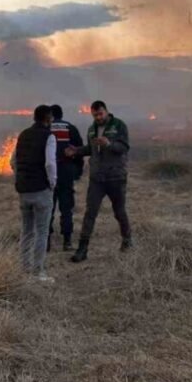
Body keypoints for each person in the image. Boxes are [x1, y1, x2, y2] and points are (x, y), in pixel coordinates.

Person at [67, 101, 131, 263]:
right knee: (90, 213)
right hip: (97, 179)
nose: (98, 117)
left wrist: (109, 144)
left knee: (119, 212)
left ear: (106, 111)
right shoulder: (91, 129)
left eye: (100, 113)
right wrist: (77, 151)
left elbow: (124, 147)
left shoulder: (119, 125)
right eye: (95, 115)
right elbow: (90, 149)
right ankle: (83, 249)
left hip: (116, 177)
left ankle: (127, 240)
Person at [10, 105, 58, 282]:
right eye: (51, 118)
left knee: (27, 231)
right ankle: (38, 272)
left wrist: (20, 178)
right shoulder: (49, 136)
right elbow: (50, 164)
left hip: (24, 190)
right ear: (47, 118)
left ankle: (23, 270)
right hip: (41, 190)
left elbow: (12, 161)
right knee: (42, 232)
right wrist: (52, 183)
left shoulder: (23, 135)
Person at [48, 104, 84, 252]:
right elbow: (79, 150)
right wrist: (77, 171)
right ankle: (67, 241)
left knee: (48, 208)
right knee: (66, 208)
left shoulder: (46, 128)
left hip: (49, 173)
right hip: (66, 172)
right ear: (62, 115)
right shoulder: (71, 128)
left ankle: (46, 242)